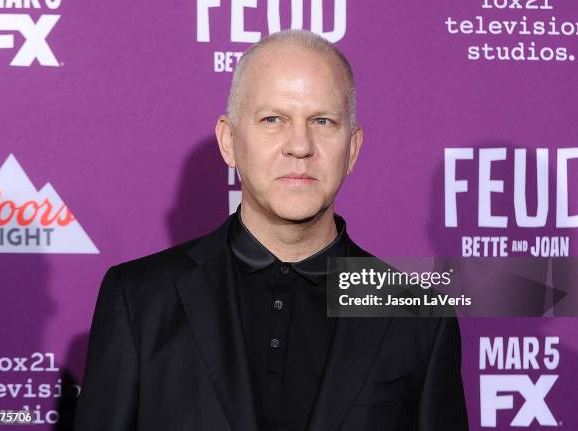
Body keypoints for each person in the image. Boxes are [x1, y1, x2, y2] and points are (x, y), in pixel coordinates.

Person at [73, 29, 468, 431]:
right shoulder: (139, 299)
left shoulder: (418, 316)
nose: (300, 145)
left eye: (323, 120)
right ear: (229, 141)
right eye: (273, 119)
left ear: (352, 148)